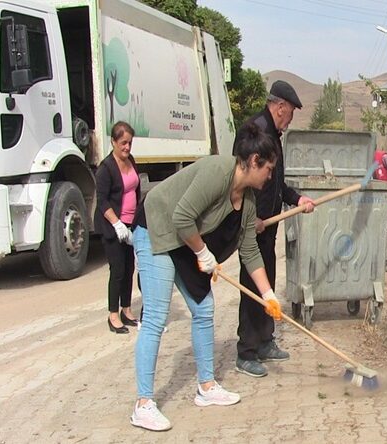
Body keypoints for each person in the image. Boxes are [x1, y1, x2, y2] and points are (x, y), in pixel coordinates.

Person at [129, 123, 284, 431]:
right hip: (157, 228)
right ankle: (143, 404)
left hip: (183, 240)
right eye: (268, 169)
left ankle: (206, 387)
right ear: (254, 161)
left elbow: (250, 251)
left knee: (204, 309)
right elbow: (181, 216)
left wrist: (268, 295)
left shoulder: (248, 200)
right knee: (157, 315)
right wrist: (202, 253)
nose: (269, 176)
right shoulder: (217, 172)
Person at [232, 80, 315, 378]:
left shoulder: (274, 135)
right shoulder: (254, 131)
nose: (290, 119)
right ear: (280, 107)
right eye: (290, 112)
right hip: (253, 226)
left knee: (266, 281)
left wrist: (297, 198)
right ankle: (246, 352)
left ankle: (265, 341)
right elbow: (240, 179)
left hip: (268, 226)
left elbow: (276, 183)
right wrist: (249, 218)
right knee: (252, 287)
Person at [95, 122, 140, 334]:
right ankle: (113, 315)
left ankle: (126, 310)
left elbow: (135, 190)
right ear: (113, 141)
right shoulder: (105, 169)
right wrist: (117, 223)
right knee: (118, 270)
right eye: (123, 143)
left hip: (130, 225)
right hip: (113, 227)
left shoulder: (131, 161)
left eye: (129, 143)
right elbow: (102, 201)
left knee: (129, 268)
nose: (127, 147)